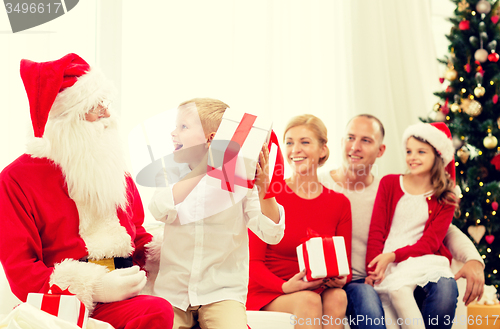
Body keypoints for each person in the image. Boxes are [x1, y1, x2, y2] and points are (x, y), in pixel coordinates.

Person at [0, 53, 174, 329]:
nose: (108, 116)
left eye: (106, 104)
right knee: (157, 312)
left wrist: (174, 251)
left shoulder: (113, 169)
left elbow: (137, 235)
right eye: (96, 107)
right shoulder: (15, 179)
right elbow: (22, 272)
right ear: (66, 119)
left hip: (128, 293)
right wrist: (96, 287)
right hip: (65, 305)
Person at [319, 114, 485, 329]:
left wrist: (474, 260)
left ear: (381, 151)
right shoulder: (317, 185)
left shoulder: (384, 187)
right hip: (354, 283)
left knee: (444, 288)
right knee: (369, 307)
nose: (355, 146)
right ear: (341, 142)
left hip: (398, 270)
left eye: (366, 140)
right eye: (350, 138)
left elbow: (445, 231)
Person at [148, 98, 285, 329]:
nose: (173, 133)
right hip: (173, 294)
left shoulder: (241, 181)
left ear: (211, 139)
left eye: (183, 127)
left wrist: (264, 189)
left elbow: (272, 234)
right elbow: (158, 209)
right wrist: (205, 167)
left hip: (222, 292)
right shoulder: (170, 173)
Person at [247, 114, 352, 329]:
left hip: (317, 286)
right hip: (272, 289)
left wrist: (341, 279)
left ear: (323, 149)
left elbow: (345, 265)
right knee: (308, 300)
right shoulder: (269, 195)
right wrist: (286, 286)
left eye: (305, 142)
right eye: (289, 142)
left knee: (338, 296)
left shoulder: (339, 203)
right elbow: (253, 263)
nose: (295, 150)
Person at [365, 122, 460, 329]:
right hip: (388, 262)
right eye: (409, 151)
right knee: (394, 303)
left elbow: (430, 242)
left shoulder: (446, 197)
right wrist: (372, 269)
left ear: (437, 155)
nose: (412, 157)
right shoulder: (389, 184)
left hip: (421, 258)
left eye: (421, 152)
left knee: (409, 288)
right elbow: (376, 231)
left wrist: (394, 255)